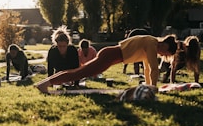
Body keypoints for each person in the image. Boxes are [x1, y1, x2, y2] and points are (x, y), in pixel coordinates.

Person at [35, 34, 178, 93]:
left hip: (110, 56)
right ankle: (45, 84)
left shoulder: (151, 43)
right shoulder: (151, 43)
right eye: (166, 53)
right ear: (165, 46)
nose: (163, 55)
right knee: (80, 72)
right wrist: (153, 88)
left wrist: (149, 87)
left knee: (80, 71)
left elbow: (148, 68)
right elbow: (154, 68)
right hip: (109, 56)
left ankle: (45, 82)